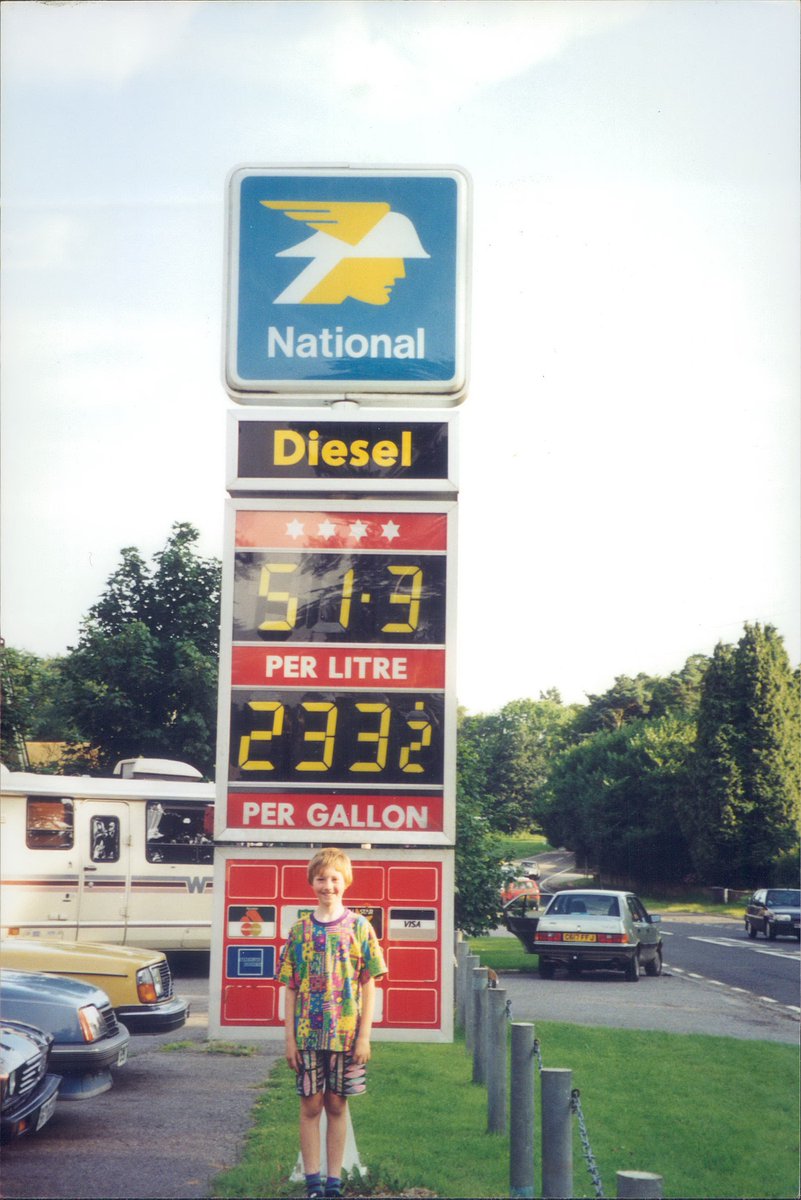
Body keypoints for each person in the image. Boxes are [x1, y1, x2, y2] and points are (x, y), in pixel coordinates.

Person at [277, 848, 387, 1199]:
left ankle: (333, 1183)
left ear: (346, 882)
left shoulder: (360, 927)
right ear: (311, 883)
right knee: (311, 1105)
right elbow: (291, 989)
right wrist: (289, 1040)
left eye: (334, 879)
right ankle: (312, 1183)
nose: (328, 885)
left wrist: (364, 1037)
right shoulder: (299, 931)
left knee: (337, 1104)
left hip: (347, 1034)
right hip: (308, 1035)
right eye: (321, 879)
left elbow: (369, 984)